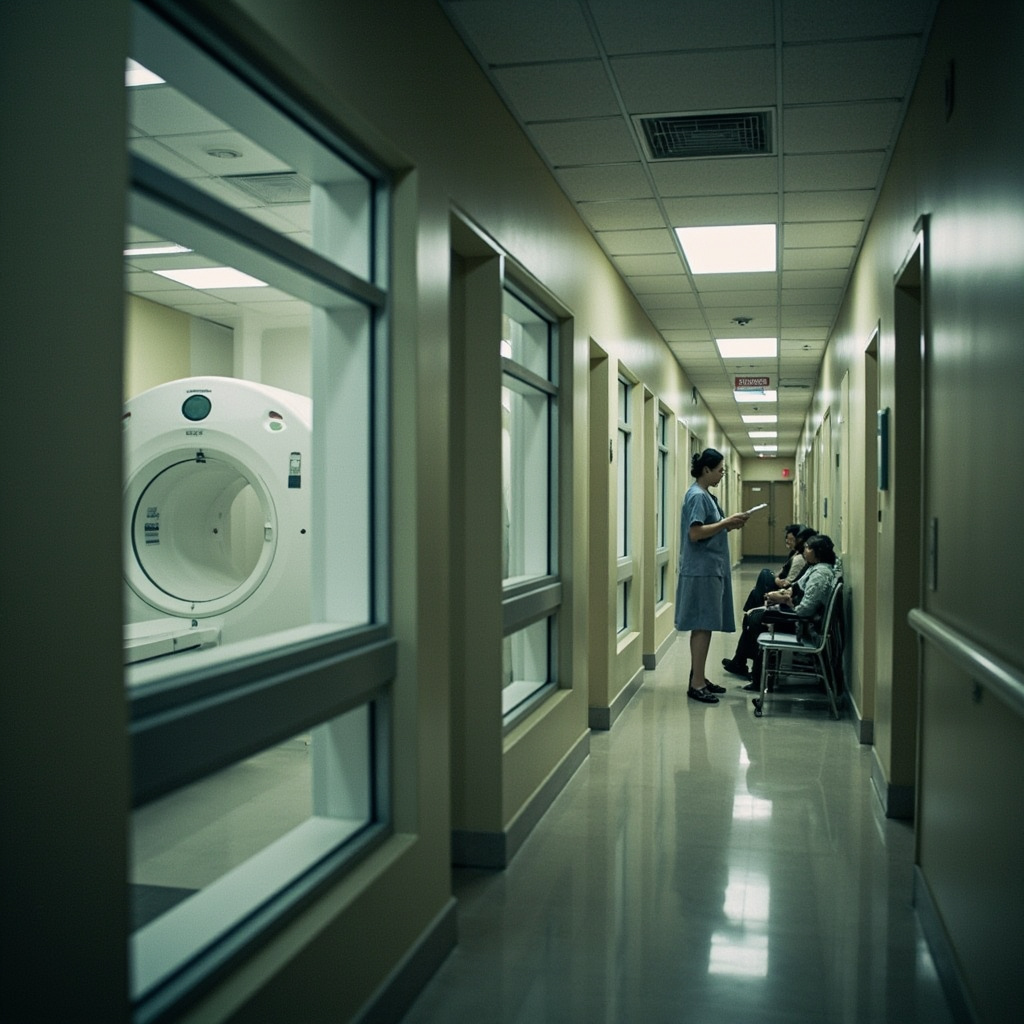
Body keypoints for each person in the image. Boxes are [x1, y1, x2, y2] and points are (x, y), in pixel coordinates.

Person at [674, 449, 749, 704]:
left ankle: (700, 677)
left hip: (709, 569)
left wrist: (728, 522)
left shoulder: (707, 496)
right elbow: (695, 534)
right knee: (702, 625)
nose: (721, 475)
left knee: (705, 625)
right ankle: (696, 684)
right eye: (719, 470)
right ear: (706, 470)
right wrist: (726, 523)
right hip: (701, 571)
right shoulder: (696, 496)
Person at [723, 534, 839, 691]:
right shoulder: (814, 568)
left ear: (817, 552)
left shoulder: (820, 575)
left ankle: (757, 678)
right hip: (799, 617)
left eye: (808, 547)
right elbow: (795, 588)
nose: (804, 550)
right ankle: (747, 667)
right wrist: (783, 594)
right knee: (753, 616)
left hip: (804, 626)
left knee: (756, 619)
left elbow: (805, 610)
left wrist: (783, 601)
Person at [741, 523, 812, 611]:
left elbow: (788, 583)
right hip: (781, 583)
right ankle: (754, 611)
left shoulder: (799, 559)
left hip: (783, 587)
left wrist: (776, 580)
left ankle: (754, 610)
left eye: (791, 540)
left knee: (765, 573)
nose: (788, 542)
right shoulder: (794, 554)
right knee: (756, 591)